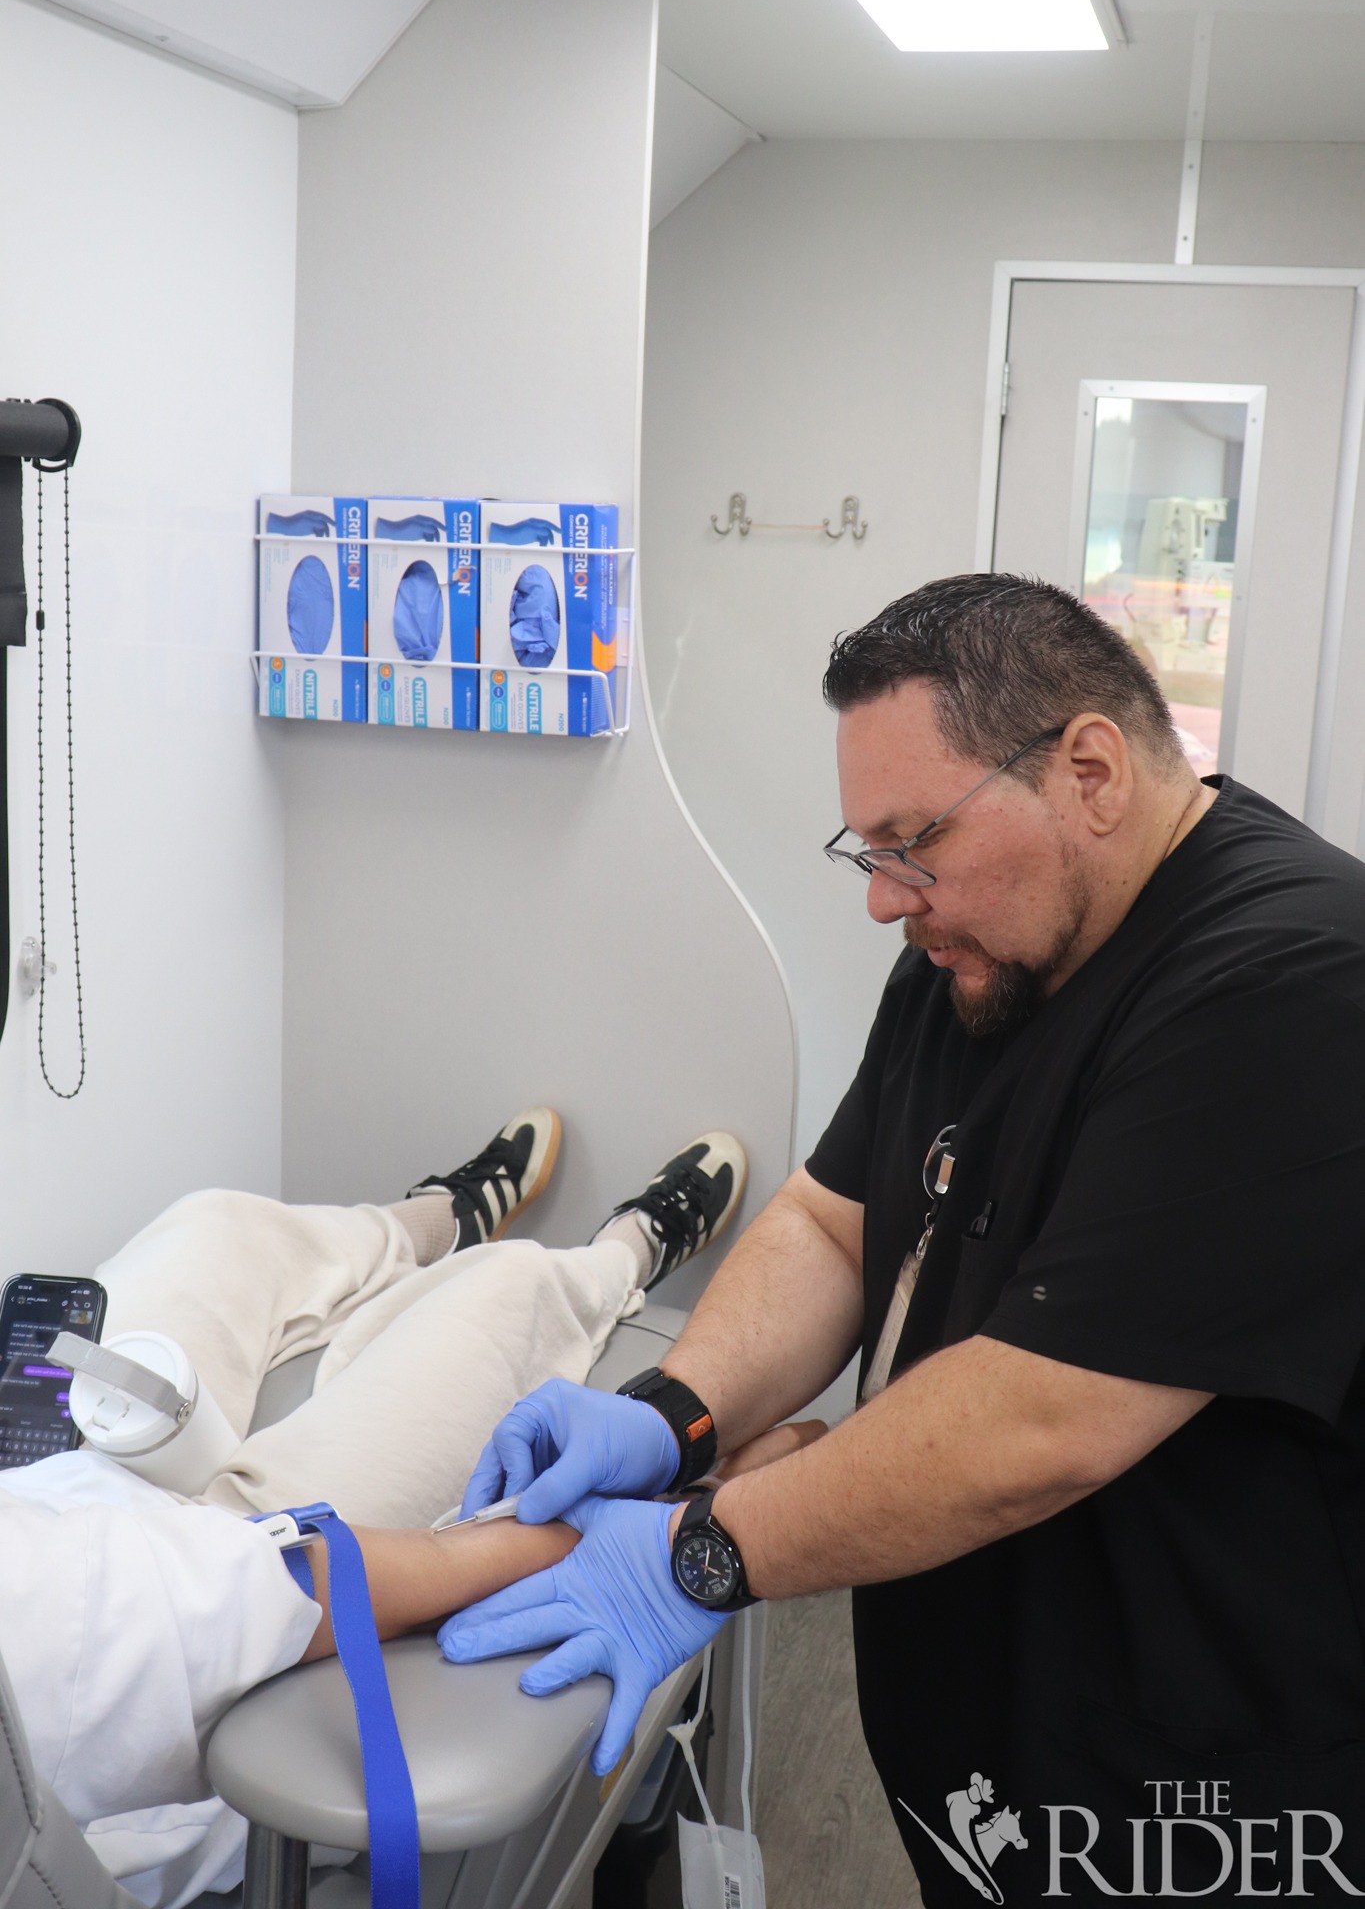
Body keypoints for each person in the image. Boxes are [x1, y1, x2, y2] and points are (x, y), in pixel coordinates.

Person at [448, 573, 1365, 1903]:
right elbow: (835, 1221)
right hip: (990, 1756)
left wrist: (703, 1553)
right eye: (867, 852)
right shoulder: (981, 946)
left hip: (1203, 1799)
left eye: (910, 841)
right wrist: (673, 1411)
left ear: (1090, 770)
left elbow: (1042, 1419)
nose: (884, 900)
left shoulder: (1292, 986)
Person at [0, 1111, 747, 1909]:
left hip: (58, 1499)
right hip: (217, 1566)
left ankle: (433, 1225)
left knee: (212, 1227)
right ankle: (617, 1258)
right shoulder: (71, 1637)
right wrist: (642, 1531)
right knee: (507, 1294)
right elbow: (291, 1591)